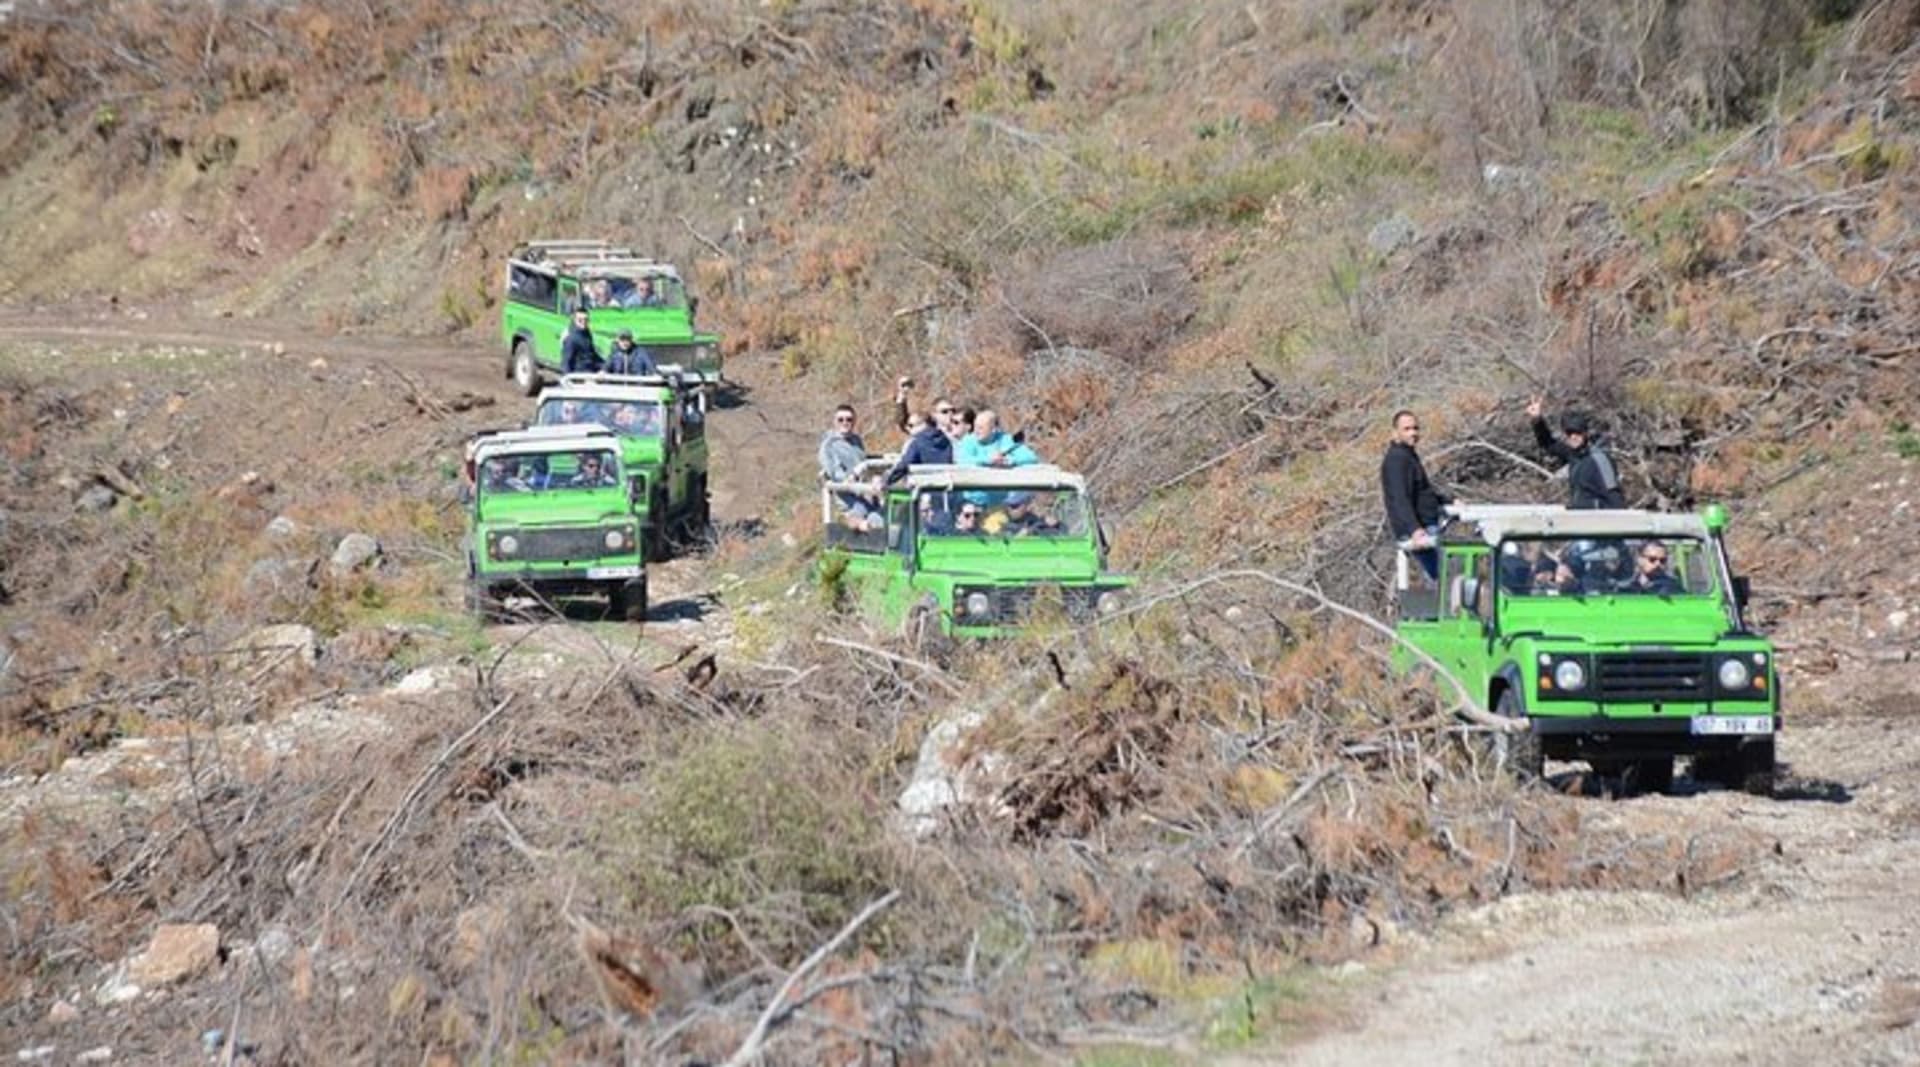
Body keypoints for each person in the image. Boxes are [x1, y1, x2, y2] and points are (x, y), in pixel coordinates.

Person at [1379, 409, 1449, 579]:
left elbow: (1423, 492)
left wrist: (1450, 501)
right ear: (1395, 432)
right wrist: (1415, 529)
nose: (1413, 433)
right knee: (1443, 579)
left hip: (1426, 526)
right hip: (1419, 530)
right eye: (1407, 429)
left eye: (1415, 428)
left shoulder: (1408, 455)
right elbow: (1399, 498)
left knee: (1445, 576)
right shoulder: (1397, 459)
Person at [1527, 396, 1625, 509]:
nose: (1573, 437)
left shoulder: (1600, 459)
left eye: (1577, 432)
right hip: (1579, 518)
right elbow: (1547, 443)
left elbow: (1614, 497)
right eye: (1569, 433)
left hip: (1598, 519)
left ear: (1585, 434)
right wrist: (1537, 420)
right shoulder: (1573, 454)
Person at [819, 404, 882, 531]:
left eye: (849, 419)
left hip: (865, 490)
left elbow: (863, 461)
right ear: (834, 421)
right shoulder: (829, 445)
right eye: (840, 419)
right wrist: (847, 479)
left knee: (879, 515)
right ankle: (861, 526)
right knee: (859, 511)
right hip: (847, 494)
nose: (845, 423)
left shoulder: (856, 441)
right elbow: (831, 471)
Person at [885, 410, 955, 484]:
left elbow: (904, 465)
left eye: (911, 425)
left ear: (924, 424)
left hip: (924, 488)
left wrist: (886, 480)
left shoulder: (917, 442)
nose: (908, 429)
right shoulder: (947, 440)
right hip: (946, 487)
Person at [956, 409, 1040, 469]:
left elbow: (1031, 457)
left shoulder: (1005, 440)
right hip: (973, 492)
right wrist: (988, 460)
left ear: (993, 429)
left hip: (1000, 490)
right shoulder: (968, 441)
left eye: (981, 428)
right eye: (975, 427)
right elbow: (962, 461)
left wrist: (1009, 460)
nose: (976, 431)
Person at [1619, 540, 1684, 595]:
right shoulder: (1626, 589)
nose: (1658, 564)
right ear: (1640, 560)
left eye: (1662, 560)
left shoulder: (1675, 589)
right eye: (1652, 559)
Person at [561, 309, 601, 374]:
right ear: (574, 320)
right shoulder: (571, 338)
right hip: (580, 375)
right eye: (580, 320)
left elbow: (593, 355)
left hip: (591, 369)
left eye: (586, 320)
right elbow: (566, 363)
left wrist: (605, 367)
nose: (583, 322)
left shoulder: (586, 334)